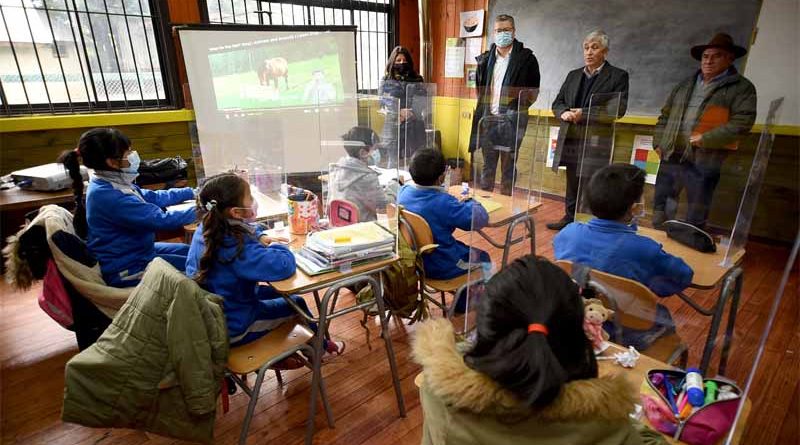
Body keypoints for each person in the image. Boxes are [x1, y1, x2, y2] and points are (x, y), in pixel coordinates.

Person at [413, 255, 667, 445]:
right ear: (576, 336)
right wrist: (626, 419)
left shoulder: (438, 389)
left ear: (486, 327)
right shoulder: (607, 425)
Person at [186, 173, 344, 359]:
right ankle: (320, 351)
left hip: (219, 311)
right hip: (235, 327)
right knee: (297, 304)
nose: (253, 200)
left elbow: (246, 229)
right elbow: (284, 265)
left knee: (284, 296)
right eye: (249, 197)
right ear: (235, 212)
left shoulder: (209, 228)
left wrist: (260, 236)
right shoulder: (235, 247)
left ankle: (300, 351)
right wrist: (278, 246)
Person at [554, 164, 693, 349]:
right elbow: (682, 277)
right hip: (629, 333)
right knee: (663, 317)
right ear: (634, 208)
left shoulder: (569, 232)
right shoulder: (645, 249)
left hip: (578, 318)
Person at [58, 128, 196, 287]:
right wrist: (203, 208)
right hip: (126, 268)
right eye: (128, 153)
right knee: (197, 269)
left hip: (138, 251)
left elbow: (152, 197)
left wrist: (192, 192)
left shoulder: (110, 181)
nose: (133, 155)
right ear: (111, 162)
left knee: (191, 253)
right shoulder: (110, 196)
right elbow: (161, 220)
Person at [652, 32, 757, 229]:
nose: (709, 61)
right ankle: (660, 235)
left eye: (716, 56)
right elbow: (665, 116)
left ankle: (691, 238)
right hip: (673, 153)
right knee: (662, 204)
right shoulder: (684, 85)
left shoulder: (741, 88)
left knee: (697, 207)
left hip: (706, 157)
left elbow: (743, 122)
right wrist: (658, 142)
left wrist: (707, 138)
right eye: (705, 56)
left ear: (730, 59)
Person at [547, 30, 630, 231]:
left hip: (596, 140)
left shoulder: (618, 76)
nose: (589, 52)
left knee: (593, 181)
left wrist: (583, 114)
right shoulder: (573, 75)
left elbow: (616, 109)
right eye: (586, 48)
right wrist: (563, 113)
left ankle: (589, 222)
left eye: (594, 47)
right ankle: (569, 217)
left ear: (605, 51)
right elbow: (558, 102)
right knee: (572, 180)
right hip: (571, 137)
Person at [468, 14, 540, 196]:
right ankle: (485, 201)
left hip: (512, 120)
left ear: (514, 31)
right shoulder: (485, 60)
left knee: (508, 165)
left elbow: (533, 92)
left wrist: (516, 109)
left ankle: (506, 200)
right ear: (494, 33)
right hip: (489, 119)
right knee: (488, 164)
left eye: (506, 30)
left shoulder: (527, 59)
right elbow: (480, 90)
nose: (502, 34)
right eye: (499, 30)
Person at [397, 148, 489, 280]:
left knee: (460, 246)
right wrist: (470, 200)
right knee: (484, 258)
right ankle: (468, 294)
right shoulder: (444, 202)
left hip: (415, 261)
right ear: (442, 176)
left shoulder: (404, 191)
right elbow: (480, 219)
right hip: (442, 265)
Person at [329, 126, 399, 222]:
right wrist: (393, 188)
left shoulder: (337, 169)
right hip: (363, 227)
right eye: (374, 149)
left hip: (341, 226)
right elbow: (383, 207)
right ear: (363, 152)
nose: (376, 152)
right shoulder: (366, 177)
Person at [379, 46, 427, 167]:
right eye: (398, 60)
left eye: (404, 60)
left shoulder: (417, 79)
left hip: (414, 124)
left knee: (416, 161)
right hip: (393, 125)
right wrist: (398, 112)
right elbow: (383, 101)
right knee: (393, 161)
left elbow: (423, 100)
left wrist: (411, 113)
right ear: (392, 62)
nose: (402, 63)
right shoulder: (386, 80)